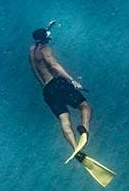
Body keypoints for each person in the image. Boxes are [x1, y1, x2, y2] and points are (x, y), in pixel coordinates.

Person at [29, 21, 91, 151]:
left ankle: (75, 148)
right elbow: (54, 65)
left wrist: (48, 27)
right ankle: (85, 129)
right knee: (85, 106)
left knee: (64, 119)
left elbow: (40, 39)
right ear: (45, 40)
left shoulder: (32, 51)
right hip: (57, 84)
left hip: (46, 90)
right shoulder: (45, 50)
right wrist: (72, 80)